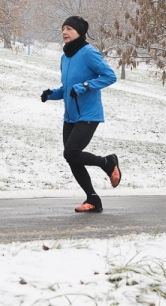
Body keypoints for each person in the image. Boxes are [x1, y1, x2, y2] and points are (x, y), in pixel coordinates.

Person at [41, 16, 121, 213]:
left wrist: (86, 86)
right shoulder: (65, 57)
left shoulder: (89, 53)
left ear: (79, 32)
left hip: (88, 114)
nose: (64, 32)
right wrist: (52, 94)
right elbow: (68, 88)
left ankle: (107, 162)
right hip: (70, 116)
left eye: (69, 28)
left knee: (71, 152)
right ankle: (93, 199)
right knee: (72, 157)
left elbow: (110, 76)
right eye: (63, 29)